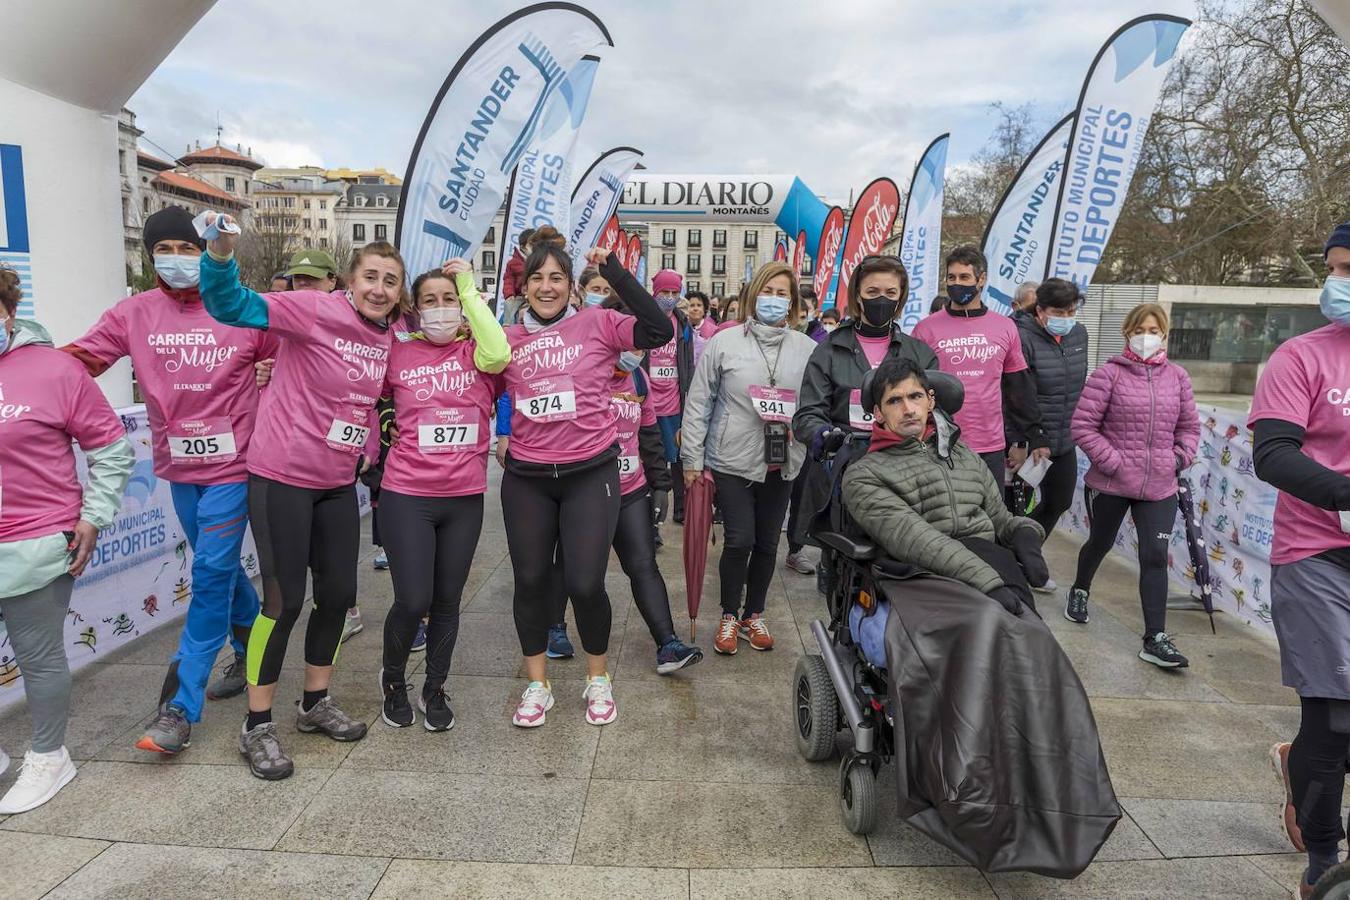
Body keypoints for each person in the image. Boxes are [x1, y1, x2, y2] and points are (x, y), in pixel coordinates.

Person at [62, 207, 274, 754]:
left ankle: (180, 706)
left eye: (190, 247)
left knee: (207, 574)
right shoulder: (133, 313)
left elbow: (296, 359)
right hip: (179, 471)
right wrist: (22, 361)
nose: (179, 259)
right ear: (151, 255)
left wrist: (275, 372)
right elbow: (75, 363)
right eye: (167, 249)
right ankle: (257, 660)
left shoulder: (239, 307)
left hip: (235, 468)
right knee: (222, 576)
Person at [199, 212, 402, 779]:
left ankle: (314, 703)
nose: (379, 289)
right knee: (282, 602)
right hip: (282, 477)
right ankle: (256, 724)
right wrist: (220, 252)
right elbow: (230, 305)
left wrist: (367, 444)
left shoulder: (388, 334)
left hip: (337, 485)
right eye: (371, 277)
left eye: (390, 280)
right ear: (349, 281)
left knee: (337, 597)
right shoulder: (315, 310)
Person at [499, 235, 673, 728]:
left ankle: (598, 678)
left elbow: (658, 329)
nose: (547, 286)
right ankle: (538, 685)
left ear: (571, 286)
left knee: (584, 582)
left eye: (556, 277)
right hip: (528, 478)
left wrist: (616, 271)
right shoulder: (507, 338)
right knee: (531, 581)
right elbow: (479, 384)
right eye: (537, 278)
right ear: (525, 286)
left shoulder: (596, 323)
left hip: (590, 474)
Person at [0, 266, 134, 814]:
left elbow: (111, 449)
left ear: (7, 308)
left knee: (38, 656)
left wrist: (93, 516)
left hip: (32, 543)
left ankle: (49, 756)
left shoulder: (54, 371)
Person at [1254, 223, 1350, 898]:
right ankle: (1323, 863)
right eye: (1336, 268)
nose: (1340, 283)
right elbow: (1273, 454)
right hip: (1316, 552)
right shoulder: (1302, 356)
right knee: (1337, 714)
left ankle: (1302, 765)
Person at [374, 259, 509, 731]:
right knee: (413, 599)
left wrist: (469, 291)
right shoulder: (399, 351)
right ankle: (393, 681)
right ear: (414, 308)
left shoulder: (478, 352)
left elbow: (500, 354)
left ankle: (435, 686)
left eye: (447, 299)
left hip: (464, 497)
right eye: (429, 301)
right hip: (407, 493)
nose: (439, 308)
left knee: (448, 600)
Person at [682, 261, 817, 656]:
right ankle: (728, 613)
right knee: (739, 540)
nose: (773, 299)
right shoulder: (723, 343)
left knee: (766, 544)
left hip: (783, 460)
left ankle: (753, 614)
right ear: (752, 294)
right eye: (767, 291)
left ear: (792, 302)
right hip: (731, 458)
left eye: (782, 293)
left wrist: (805, 430)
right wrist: (691, 459)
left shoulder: (808, 349)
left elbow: (815, 405)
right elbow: (699, 401)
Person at [841, 358, 1046, 613]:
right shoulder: (864, 474)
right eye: (895, 400)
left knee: (1032, 638)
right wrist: (988, 583)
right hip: (925, 578)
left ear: (931, 401)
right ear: (879, 412)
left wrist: (1024, 532)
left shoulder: (963, 454)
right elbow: (916, 541)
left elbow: (998, 518)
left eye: (915, 396)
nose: (908, 409)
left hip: (990, 565)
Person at [1067, 302, 1199, 669]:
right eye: (1140, 330)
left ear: (1165, 336)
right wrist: (1112, 461)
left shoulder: (1178, 377)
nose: (1147, 337)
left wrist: (1179, 458)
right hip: (1111, 482)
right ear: (1127, 333)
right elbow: (1082, 426)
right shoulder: (1108, 375)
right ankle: (1080, 589)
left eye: (1154, 331)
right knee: (1100, 542)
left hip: (1160, 485)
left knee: (1154, 557)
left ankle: (1155, 638)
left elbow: (1190, 427)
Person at [792, 255, 938, 586]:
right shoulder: (829, 350)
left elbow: (937, 413)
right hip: (844, 470)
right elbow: (807, 413)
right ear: (857, 295)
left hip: (905, 474)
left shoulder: (919, 354)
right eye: (873, 291)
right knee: (842, 570)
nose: (881, 300)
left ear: (901, 296)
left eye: (890, 292)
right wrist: (824, 436)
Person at [912, 245, 1048, 487]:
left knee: (990, 521)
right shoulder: (925, 329)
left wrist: (1030, 437)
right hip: (940, 445)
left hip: (990, 447)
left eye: (964, 277)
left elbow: (1018, 389)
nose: (957, 284)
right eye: (951, 277)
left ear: (981, 279)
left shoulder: (1005, 327)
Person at [1009, 278, 1088, 593]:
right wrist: (1024, 440)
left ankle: (1027, 554)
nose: (1065, 318)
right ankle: (1023, 566)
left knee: (1059, 500)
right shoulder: (1021, 337)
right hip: (1029, 440)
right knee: (1017, 508)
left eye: (1071, 311)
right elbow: (1015, 394)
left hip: (1063, 438)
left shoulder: (1078, 334)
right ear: (1040, 310)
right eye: (1058, 311)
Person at [645, 268, 697, 535]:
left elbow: (687, 361)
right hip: (648, 405)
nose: (669, 297)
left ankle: (681, 511)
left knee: (678, 459)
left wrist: (688, 394)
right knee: (652, 462)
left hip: (675, 404)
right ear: (654, 292)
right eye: (664, 292)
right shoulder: (641, 319)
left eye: (674, 293)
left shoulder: (683, 323)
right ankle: (651, 520)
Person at [500, 227, 535, 325]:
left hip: (536, 293)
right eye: (532, 244)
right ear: (523, 247)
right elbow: (508, 280)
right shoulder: (513, 263)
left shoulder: (540, 261)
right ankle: (508, 325)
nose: (535, 247)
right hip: (520, 295)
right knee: (510, 307)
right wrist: (509, 295)